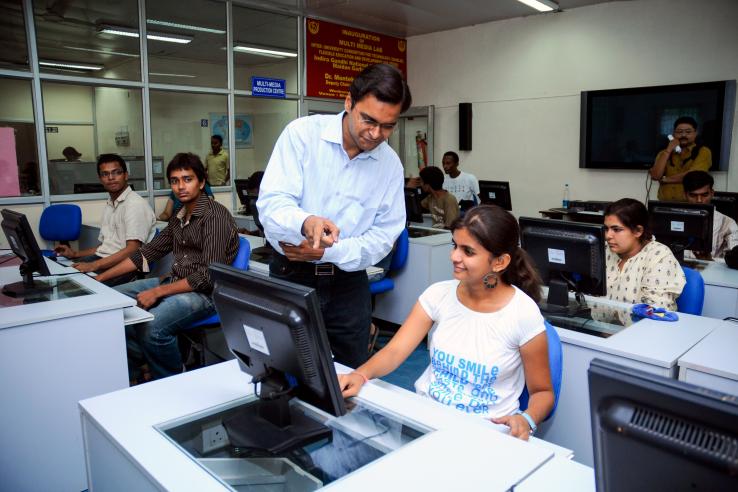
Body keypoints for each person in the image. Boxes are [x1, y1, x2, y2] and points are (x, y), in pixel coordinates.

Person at [339, 205, 553, 441]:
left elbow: (542, 392)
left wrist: (527, 419)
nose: (454, 256)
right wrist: (361, 374)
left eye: (468, 251)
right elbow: (394, 352)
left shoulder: (523, 314)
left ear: (500, 262)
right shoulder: (437, 295)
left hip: (485, 435)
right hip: (426, 421)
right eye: (455, 246)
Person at [257, 63, 412, 369]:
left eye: (388, 126)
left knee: (350, 374)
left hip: (349, 284)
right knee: (284, 370)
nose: (376, 133)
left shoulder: (390, 165)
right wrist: (305, 222)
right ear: (348, 102)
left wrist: (330, 250)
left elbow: (384, 236)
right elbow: (272, 203)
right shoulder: (302, 135)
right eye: (368, 120)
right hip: (292, 276)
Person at [97, 153, 239, 380]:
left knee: (152, 328)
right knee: (112, 303)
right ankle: (137, 369)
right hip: (176, 281)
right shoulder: (180, 216)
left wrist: (157, 291)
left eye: (187, 179)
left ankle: (172, 379)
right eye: (175, 181)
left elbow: (207, 276)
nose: (180, 186)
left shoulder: (215, 216)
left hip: (207, 294)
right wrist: (100, 280)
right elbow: (146, 253)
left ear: (201, 182)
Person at [54, 154, 156, 287]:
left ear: (126, 175)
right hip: (105, 259)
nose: (111, 178)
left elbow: (132, 250)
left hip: (127, 266)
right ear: (100, 179)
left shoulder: (135, 204)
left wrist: (93, 265)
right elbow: (105, 246)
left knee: (75, 287)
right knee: (61, 274)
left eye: (116, 173)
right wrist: (75, 254)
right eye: (105, 174)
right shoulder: (111, 204)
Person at [603, 198, 685, 310]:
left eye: (616, 230)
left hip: (641, 326)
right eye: (606, 229)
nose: (608, 235)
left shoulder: (659, 256)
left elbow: (656, 310)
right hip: (597, 325)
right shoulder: (604, 249)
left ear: (638, 231)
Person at [650, 116, 712, 201]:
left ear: (695, 133)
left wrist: (665, 179)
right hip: (664, 204)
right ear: (673, 134)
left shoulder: (703, 151)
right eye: (679, 132)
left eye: (688, 132)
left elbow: (693, 176)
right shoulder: (663, 153)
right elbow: (655, 176)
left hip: (690, 204)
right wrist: (668, 150)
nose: (683, 135)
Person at [682, 170, 738, 259]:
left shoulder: (727, 223)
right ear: (685, 195)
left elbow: (734, 260)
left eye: (704, 195)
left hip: (712, 271)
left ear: (712, 193)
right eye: (693, 195)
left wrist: (709, 260)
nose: (699, 200)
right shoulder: (671, 218)